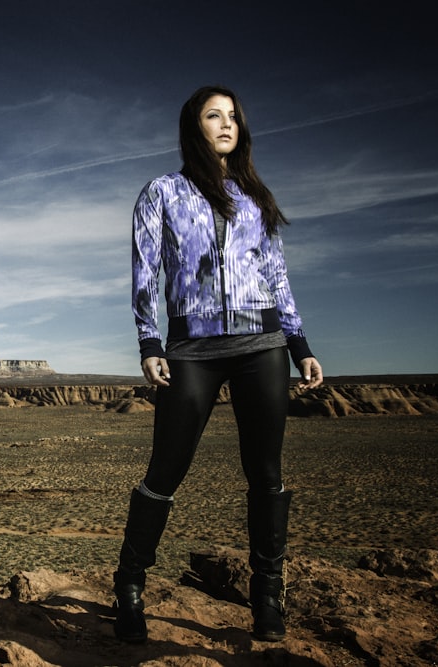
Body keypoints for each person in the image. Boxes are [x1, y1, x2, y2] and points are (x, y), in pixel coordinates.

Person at [113, 85, 324, 644]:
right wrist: (148, 342)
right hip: (192, 350)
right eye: (214, 115)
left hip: (263, 346)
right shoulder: (163, 191)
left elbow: (276, 275)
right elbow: (145, 273)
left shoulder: (256, 196)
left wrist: (299, 345)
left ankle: (267, 597)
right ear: (194, 126)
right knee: (166, 470)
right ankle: (129, 585)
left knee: (267, 475)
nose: (227, 124)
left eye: (233, 116)